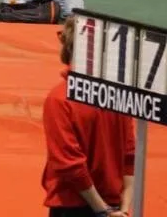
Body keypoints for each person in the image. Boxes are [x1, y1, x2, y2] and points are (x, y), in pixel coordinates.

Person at [41, 17, 135, 216]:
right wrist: (124, 207)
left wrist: (103, 211)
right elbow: (130, 154)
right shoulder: (118, 95)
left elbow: (69, 164)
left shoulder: (59, 98)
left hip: (76, 205)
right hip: (116, 203)